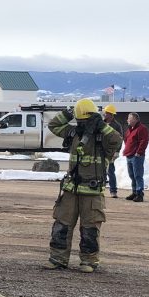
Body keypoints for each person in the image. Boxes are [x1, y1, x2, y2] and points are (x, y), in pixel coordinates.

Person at [45, 99, 121, 272]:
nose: (84, 125)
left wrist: (101, 126)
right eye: (80, 121)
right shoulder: (74, 133)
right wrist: (69, 113)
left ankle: (89, 261)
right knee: (61, 225)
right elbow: (53, 125)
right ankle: (57, 259)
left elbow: (117, 140)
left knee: (90, 229)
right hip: (71, 189)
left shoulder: (102, 137)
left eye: (86, 121)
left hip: (92, 192)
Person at [123, 112, 149, 202]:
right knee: (132, 175)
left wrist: (139, 152)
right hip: (129, 155)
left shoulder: (142, 128)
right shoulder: (130, 129)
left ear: (135, 119)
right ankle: (134, 192)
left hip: (137, 156)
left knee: (138, 175)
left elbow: (144, 141)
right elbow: (126, 140)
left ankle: (139, 193)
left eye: (129, 118)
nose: (127, 120)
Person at [102, 104, 123, 198]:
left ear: (110, 114)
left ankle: (113, 191)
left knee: (110, 171)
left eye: (106, 113)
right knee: (100, 172)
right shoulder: (101, 124)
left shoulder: (117, 126)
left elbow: (120, 139)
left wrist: (117, 152)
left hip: (111, 152)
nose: (104, 114)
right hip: (101, 151)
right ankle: (100, 190)